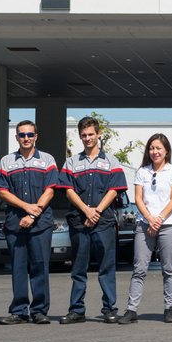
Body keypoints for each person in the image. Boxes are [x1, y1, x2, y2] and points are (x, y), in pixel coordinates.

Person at [56, 116, 128, 324]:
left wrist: (97, 211)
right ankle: (76, 310)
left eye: (90, 134)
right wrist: (86, 210)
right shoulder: (71, 162)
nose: (87, 138)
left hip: (104, 222)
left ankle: (109, 309)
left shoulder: (111, 161)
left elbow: (114, 190)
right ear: (80, 137)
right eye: (83, 135)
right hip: (79, 221)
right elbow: (68, 190)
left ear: (98, 134)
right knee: (78, 268)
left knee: (106, 267)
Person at [0, 120, 58, 325]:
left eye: (30, 134)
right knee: (18, 267)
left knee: (40, 266)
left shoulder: (47, 160)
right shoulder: (6, 161)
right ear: (16, 137)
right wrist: (26, 207)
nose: (26, 138)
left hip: (40, 223)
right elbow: (2, 192)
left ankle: (39, 311)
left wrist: (32, 214)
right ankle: (19, 311)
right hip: (15, 223)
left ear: (36, 136)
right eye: (22, 135)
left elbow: (50, 190)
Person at [120, 133, 172, 325]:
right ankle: (131, 309)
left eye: (158, 148)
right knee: (139, 268)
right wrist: (149, 218)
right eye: (152, 148)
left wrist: (159, 219)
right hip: (144, 224)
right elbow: (138, 198)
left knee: (169, 269)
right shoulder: (142, 171)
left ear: (166, 151)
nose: (155, 152)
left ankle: (169, 308)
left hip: (167, 225)